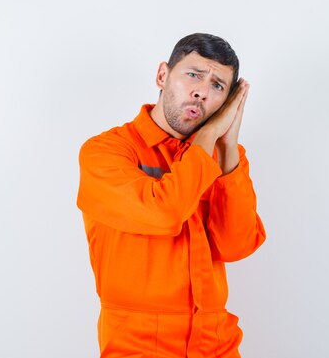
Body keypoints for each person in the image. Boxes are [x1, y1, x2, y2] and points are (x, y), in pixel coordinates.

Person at [77, 33, 266, 358]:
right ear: (163, 75)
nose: (202, 92)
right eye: (194, 74)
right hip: (138, 346)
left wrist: (228, 149)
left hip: (217, 343)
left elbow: (236, 245)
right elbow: (163, 212)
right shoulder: (106, 152)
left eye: (218, 86)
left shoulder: (222, 156)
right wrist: (208, 135)